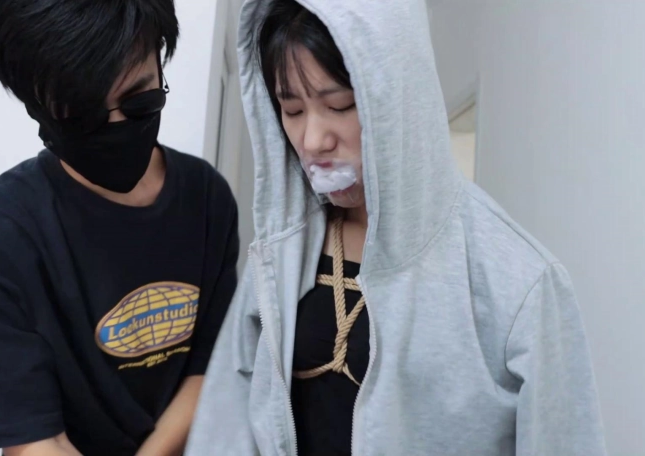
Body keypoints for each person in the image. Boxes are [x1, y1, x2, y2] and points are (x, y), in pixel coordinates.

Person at [187, 0, 608, 455]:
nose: (313, 140)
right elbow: (225, 427)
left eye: (340, 105)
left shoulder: (522, 282)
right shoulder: (280, 254)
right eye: (292, 111)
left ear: (397, 96)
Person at [0, 1, 239, 455]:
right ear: (36, 105)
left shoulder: (206, 197)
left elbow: (210, 366)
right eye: (84, 113)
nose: (117, 124)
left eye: (140, 100)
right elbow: (37, 443)